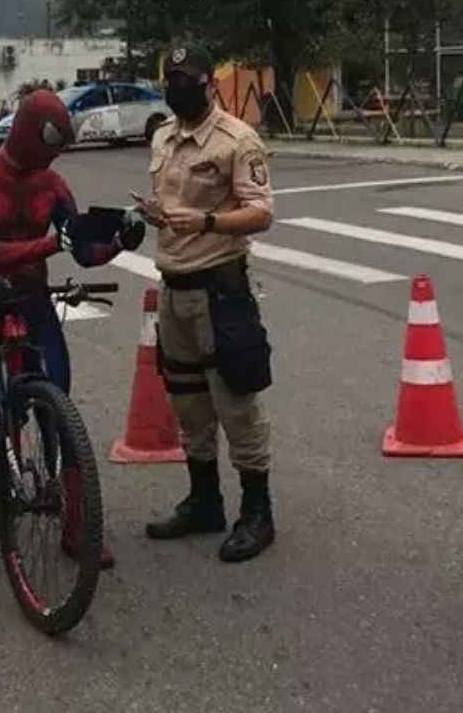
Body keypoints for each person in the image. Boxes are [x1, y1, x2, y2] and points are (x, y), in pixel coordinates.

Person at [0, 90, 143, 587]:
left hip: (33, 305)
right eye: (50, 144)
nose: (54, 156)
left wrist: (119, 239)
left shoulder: (52, 184)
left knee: (60, 413)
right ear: (29, 132)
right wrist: (58, 240)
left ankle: (77, 525)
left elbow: (83, 252)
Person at [134, 44, 277, 563]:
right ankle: (204, 501)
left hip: (220, 290)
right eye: (170, 79)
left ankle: (257, 511)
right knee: (188, 403)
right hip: (174, 288)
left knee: (236, 402)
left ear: (209, 84)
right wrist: (158, 215)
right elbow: (177, 207)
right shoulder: (164, 136)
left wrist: (210, 222)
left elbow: (260, 213)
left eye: (187, 79)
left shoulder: (237, 140)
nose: (177, 88)